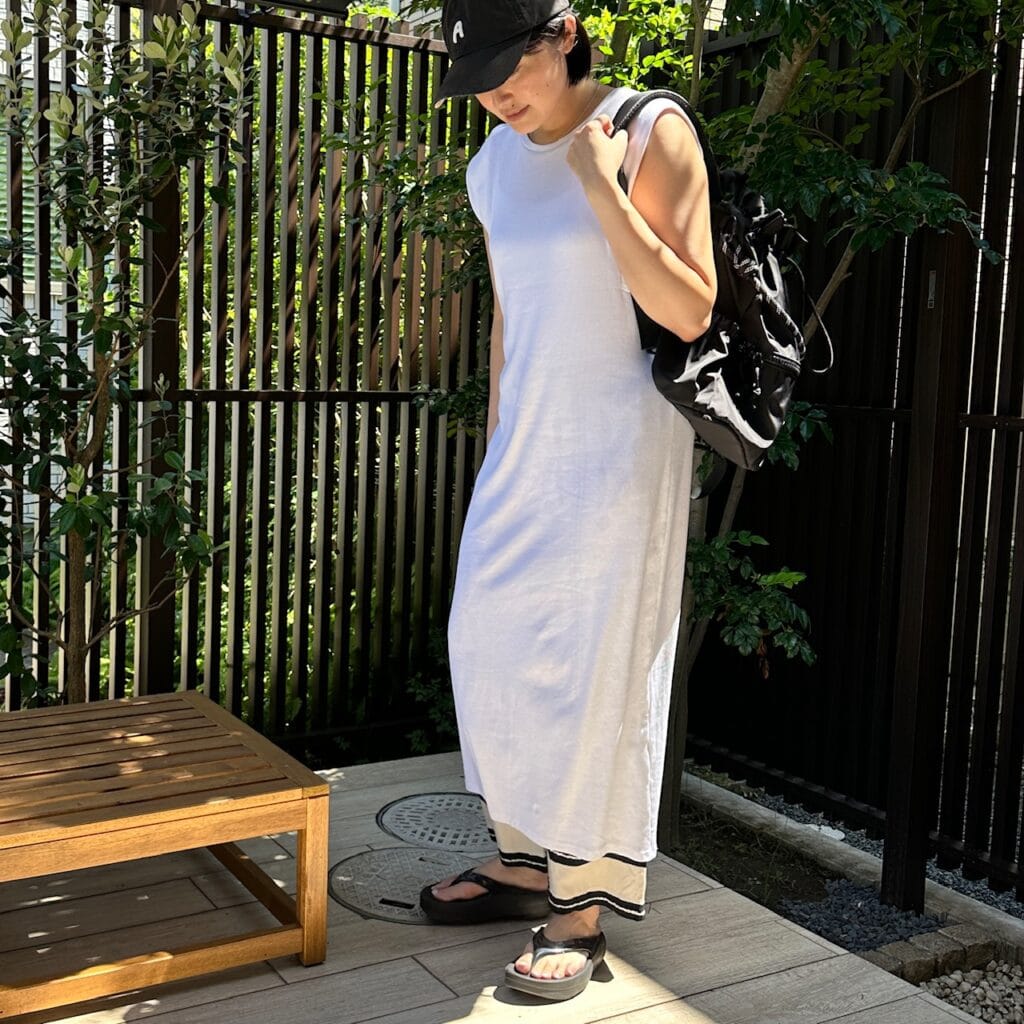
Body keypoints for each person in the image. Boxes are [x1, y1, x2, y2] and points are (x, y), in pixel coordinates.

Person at [421, 0, 717, 1002]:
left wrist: (598, 181)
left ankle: (580, 907)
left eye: (513, 66)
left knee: (593, 670)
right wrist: (499, 444)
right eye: (480, 80)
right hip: (529, 447)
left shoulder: (648, 129)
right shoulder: (492, 166)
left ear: (568, 33)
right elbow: (512, 317)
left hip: (623, 451)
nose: (498, 94)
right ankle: (523, 860)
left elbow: (689, 308)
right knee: (489, 641)